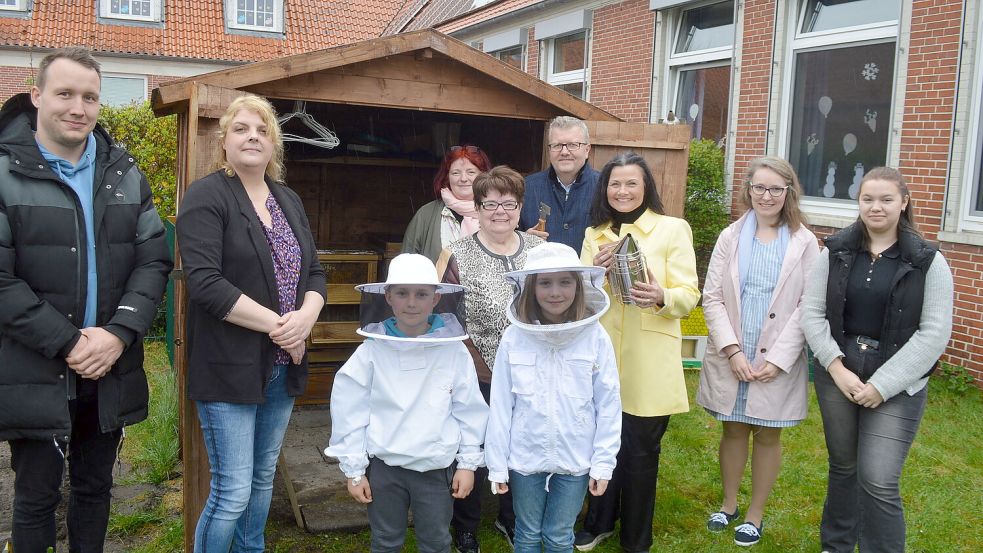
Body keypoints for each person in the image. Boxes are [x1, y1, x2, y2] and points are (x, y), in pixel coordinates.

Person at [0, 47, 172, 553]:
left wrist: (118, 335)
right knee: (34, 497)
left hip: (110, 367)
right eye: (65, 93)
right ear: (36, 97)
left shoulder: (124, 174)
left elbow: (153, 261)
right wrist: (69, 342)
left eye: (90, 97)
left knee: (96, 491)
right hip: (35, 366)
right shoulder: (4, 173)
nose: (78, 107)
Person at [176, 94, 327, 553]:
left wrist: (305, 319)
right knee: (232, 490)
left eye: (262, 131)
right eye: (241, 129)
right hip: (228, 365)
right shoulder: (206, 197)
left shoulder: (288, 199)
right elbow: (205, 283)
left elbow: (315, 273)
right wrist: (281, 327)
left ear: (274, 146)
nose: (252, 137)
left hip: (282, 365)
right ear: (224, 142)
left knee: (262, 481)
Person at [801, 167, 953, 553]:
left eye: (886, 199)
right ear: (859, 202)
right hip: (839, 373)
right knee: (844, 468)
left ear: (904, 203)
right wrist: (836, 368)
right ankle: (835, 546)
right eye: (868, 198)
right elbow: (812, 313)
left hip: (899, 382)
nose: (876, 207)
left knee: (879, 477)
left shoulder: (928, 261)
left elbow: (934, 333)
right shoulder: (834, 251)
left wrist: (883, 385)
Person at [578, 152, 701, 553]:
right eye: (615, 183)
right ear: (604, 188)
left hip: (649, 360)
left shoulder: (672, 229)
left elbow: (690, 295)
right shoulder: (593, 234)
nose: (623, 191)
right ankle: (598, 521)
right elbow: (578, 299)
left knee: (641, 452)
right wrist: (593, 275)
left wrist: (662, 295)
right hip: (603, 358)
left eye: (631, 183)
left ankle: (636, 538)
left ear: (646, 186)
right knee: (602, 443)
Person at [325, 253, 488, 553]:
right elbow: (350, 409)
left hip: (436, 467)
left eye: (421, 294)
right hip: (386, 468)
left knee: (436, 542)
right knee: (385, 541)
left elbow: (469, 410)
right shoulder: (371, 352)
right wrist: (354, 470)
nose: (412, 302)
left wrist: (467, 463)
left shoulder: (453, 352)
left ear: (436, 298)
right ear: (388, 296)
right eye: (402, 293)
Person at [696, 157, 819, 546]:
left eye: (776, 189)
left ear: (789, 193)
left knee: (767, 434)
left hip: (777, 357)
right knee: (732, 429)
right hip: (735, 350)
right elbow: (712, 298)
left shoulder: (805, 242)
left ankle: (755, 513)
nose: (766, 196)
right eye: (759, 188)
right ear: (748, 190)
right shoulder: (730, 237)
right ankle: (729, 504)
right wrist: (732, 351)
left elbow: (809, 304)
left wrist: (779, 359)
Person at [486, 242, 622, 553]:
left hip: (576, 455)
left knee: (560, 536)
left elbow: (609, 403)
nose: (555, 292)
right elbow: (501, 405)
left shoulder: (595, 336)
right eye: (545, 283)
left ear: (579, 285)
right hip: (525, 455)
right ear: (530, 288)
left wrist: (603, 463)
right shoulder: (514, 337)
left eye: (565, 281)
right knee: (527, 534)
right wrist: (497, 464)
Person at [437, 165, 545, 552]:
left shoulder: (538, 251)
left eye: (509, 203)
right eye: (491, 204)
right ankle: (464, 525)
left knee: (520, 445)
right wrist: (476, 368)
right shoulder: (456, 255)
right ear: (478, 208)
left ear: (520, 207)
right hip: (476, 369)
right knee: (474, 448)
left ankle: (511, 516)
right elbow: (445, 317)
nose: (500, 211)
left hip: (531, 370)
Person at [519, 116, 600, 253]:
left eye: (573, 145)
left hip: (589, 274)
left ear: (587, 150)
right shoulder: (526, 188)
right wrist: (523, 240)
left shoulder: (604, 187)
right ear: (549, 150)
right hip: (540, 273)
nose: (564, 152)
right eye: (557, 145)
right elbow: (507, 238)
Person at [402, 144, 493, 262]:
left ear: (483, 177)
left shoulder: (498, 211)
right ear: (447, 177)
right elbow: (406, 264)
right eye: (456, 173)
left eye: (471, 172)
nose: (463, 178)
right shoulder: (426, 214)